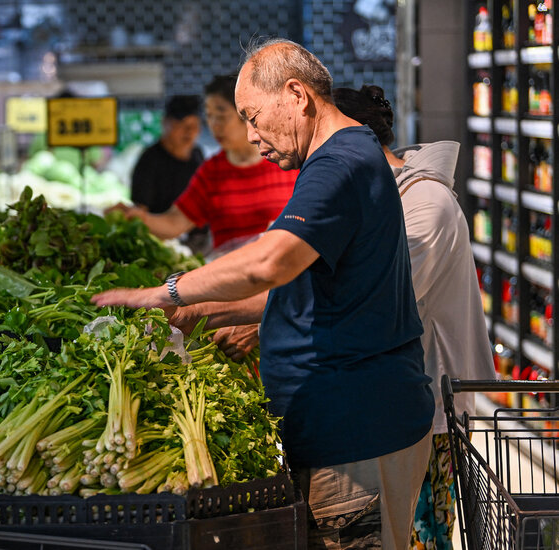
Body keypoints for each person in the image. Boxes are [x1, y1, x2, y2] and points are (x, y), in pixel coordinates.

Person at [92, 38, 434, 550]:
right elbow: (311, 289)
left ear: (296, 93)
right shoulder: (343, 157)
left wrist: (163, 293)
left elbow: (271, 262)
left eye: (252, 115)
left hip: (354, 434)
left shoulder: (338, 164)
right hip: (347, 429)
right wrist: (208, 310)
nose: (250, 135)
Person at [333, 85, 495, 550]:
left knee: (423, 534)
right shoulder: (380, 196)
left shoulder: (425, 203)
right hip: (395, 399)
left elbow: (385, 294)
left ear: (354, 142)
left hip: (431, 406)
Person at [113, 75, 298, 256]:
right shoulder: (212, 172)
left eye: (221, 116)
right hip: (234, 281)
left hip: (287, 280)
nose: (214, 125)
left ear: (247, 114)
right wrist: (137, 217)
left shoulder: (287, 161)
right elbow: (174, 222)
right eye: (209, 117)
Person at [129, 95, 204, 214]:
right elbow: (141, 209)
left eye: (194, 125)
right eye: (181, 125)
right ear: (165, 123)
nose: (189, 131)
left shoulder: (197, 155)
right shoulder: (150, 160)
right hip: (162, 230)